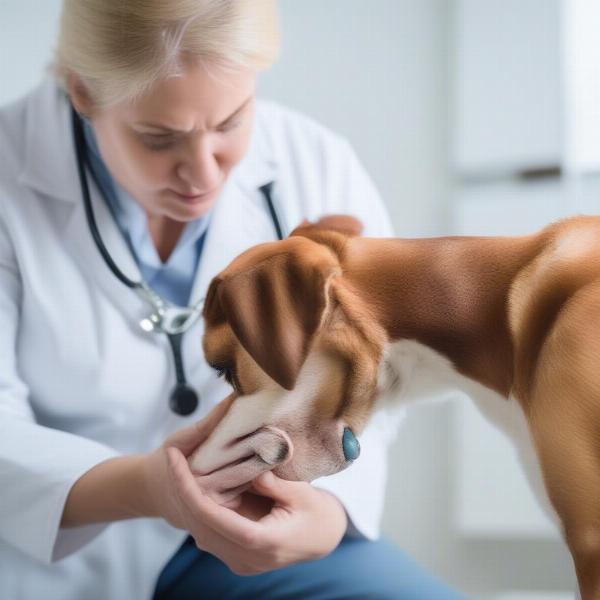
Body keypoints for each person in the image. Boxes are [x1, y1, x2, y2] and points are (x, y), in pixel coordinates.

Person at [0, 1, 466, 598]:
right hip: (50, 552)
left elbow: (382, 369)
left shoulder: (316, 163)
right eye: (158, 138)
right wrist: (148, 487)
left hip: (261, 529)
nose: (202, 174)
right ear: (83, 93)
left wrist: (329, 511)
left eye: (230, 123)